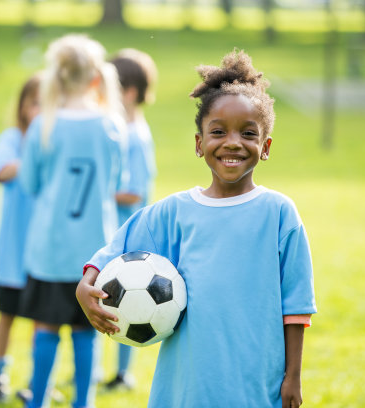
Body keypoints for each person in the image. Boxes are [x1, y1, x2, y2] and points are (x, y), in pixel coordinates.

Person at [77, 50, 317, 408]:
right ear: (199, 143)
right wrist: (87, 284)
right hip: (187, 385)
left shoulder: (279, 213)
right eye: (218, 131)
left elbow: (296, 305)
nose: (233, 142)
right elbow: (118, 246)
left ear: (265, 147)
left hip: (256, 382)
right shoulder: (174, 212)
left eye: (248, 133)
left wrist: (293, 377)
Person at [17, 34, 125, 408]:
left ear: (56, 79)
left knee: (46, 327)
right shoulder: (111, 126)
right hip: (95, 250)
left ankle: (38, 401)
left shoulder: (43, 126)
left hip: (49, 247)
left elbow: (28, 182)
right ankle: (83, 402)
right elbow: (116, 183)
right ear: (96, 78)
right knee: (86, 329)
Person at [103, 49, 158, 392]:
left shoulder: (134, 135)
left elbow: (134, 192)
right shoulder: (127, 127)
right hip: (119, 228)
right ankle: (104, 370)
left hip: (129, 231)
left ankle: (123, 373)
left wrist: (100, 193)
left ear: (130, 92)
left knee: (129, 303)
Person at [0, 75, 40, 402]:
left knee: (40, 321)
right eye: (34, 103)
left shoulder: (56, 143)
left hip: (42, 255)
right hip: (13, 252)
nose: (39, 111)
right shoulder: (12, 139)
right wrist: (30, 158)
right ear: (21, 106)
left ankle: (36, 380)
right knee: (7, 317)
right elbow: (1, 171)